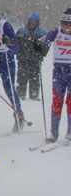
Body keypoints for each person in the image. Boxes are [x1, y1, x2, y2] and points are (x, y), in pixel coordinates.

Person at [35, 8, 71, 143]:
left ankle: (70, 132)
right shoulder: (56, 31)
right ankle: (54, 132)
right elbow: (42, 40)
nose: (66, 28)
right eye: (64, 24)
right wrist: (38, 45)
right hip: (59, 71)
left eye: (69, 25)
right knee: (57, 101)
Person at [15, 13, 47, 100]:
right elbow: (16, 43)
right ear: (29, 21)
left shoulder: (42, 33)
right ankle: (20, 93)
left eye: (35, 21)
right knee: (22, 76)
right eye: (31, 21)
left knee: (35, 77)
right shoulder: (21, 31)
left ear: (37, 23)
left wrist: (42, 53)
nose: (33, 23)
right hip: (23, 58)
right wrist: (17, 52)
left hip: (35, 59)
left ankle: (34, 93)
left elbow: (46, 45)